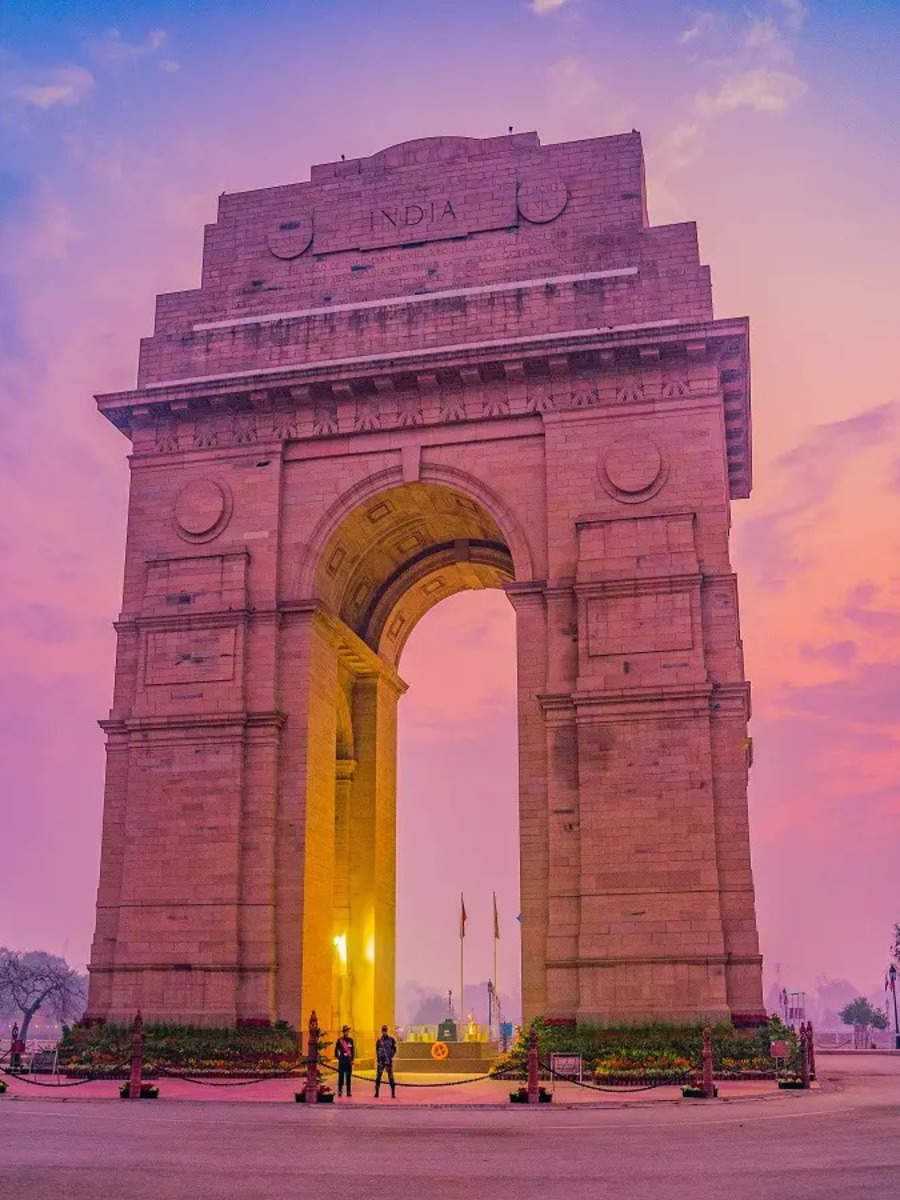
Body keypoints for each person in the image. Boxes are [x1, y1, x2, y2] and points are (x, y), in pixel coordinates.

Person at [375, 1024, 397, 1098]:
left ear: (387, 1031)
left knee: (391, 1077)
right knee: (378, 1077)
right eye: (383, 1030)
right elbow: (377, 1050)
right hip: (381, 1061)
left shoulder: (391, 1039)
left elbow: (394, 1049)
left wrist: (391, 1056)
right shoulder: (379, 1040)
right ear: (382, 1031)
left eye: (385, 1030)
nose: (384, 1032)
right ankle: (377, 1092)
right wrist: (378, 1059)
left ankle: (393, 1093)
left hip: (388, 1061)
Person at [335, 1025, 354, 1097]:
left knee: (348, 1077)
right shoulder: (340, 1040)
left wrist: (352, 1060)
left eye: (348, 1031)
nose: (347, 1032)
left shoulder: (351, 1040)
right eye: (346, 1031)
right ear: (344, 1032)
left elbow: (352, 1051)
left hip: (348, 1061)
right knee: (341, 1077)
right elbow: (336, 1050)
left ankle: (348, 1092)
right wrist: (339, 1057)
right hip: (342, 1061)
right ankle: (340, 1091)